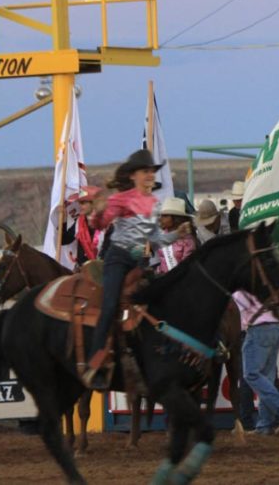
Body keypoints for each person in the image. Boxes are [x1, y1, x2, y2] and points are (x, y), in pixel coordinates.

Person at [83, 150, 191, 389]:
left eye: (152, 171)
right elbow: (101, 223)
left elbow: (155, 239)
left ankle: (163, 352)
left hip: (140, 262)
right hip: (118, 259)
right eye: (145, 171)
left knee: (164, 298)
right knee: (110, 304)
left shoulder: (153, 203)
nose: (150, 175)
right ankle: (95, 361)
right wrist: (98, 212)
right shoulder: (121, 199)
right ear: (133, 176)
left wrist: (176, 234)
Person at [233, 288, 279, 435]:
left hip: (257, 330)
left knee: (251, 374)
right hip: (277, 329)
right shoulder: (271, 288)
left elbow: (234, 315)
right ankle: (264, 425)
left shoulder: (240, 291)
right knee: (267, 377)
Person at [153, 197, 199, 274]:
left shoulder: (188, 240)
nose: (160, 219)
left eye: (165, 216)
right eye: (161, 216)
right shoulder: (161, 235)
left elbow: (187, 266)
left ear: (175, 219)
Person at [60, 186, 103, 266]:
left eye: (83, 203)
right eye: (79, 203)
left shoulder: (106, 224)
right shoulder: (79, 222)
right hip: (83, 269)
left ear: (93, 204)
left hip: (102, 268)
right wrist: (64, 221)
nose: (80, 206)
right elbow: (64, 240)